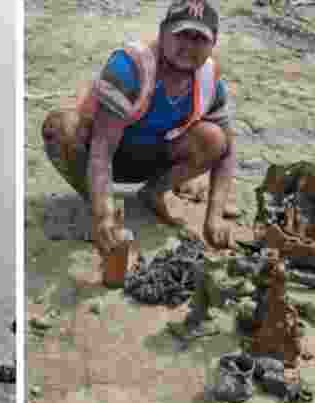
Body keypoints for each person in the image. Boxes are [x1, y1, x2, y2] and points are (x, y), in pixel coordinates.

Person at [41, 0, 238, 255]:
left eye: (199, 39)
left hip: (153, 157)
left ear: (213, 44)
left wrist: (214, 218)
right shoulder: (130, 66)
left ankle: (153, 194)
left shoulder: (209, 77)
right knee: (62, 127)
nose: (188, 47)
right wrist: (103, 214)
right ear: (162, 32)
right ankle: (101, 208)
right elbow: (101, 148)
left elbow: (227, 150)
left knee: (215, 138)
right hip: (102, 155)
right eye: (181, 35)